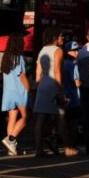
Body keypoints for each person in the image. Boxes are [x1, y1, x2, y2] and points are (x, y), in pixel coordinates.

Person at [31, 27, 76, 157]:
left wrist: (36, 88)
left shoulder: (42, 51)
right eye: (61, 36)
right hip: (53, 86)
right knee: (60, 118)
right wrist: (61, 89)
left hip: (42, 86)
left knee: (40, 119)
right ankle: (68, 148)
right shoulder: (58, 51)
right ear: (54, 37)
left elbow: (38, 74)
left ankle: (39, 150)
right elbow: (57, 71)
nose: (63, 38)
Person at [0, 41, 30, 155]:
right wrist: (28, 88)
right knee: (26, 117)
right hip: (19, 91)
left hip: (8, 92)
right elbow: (22, 76)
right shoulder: (19, 58)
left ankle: (11, 148)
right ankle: (11, 139)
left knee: (12, 119)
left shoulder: (6, 58)